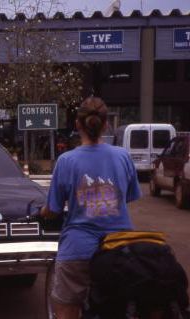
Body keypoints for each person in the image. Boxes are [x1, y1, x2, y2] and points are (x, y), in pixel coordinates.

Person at [40, 96, 141, 319]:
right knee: (120, 307)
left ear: (77, 125)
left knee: (66, 306)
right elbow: (130, 197)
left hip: (78, 250)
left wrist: (42, 212)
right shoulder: (123, 156)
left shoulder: (66, 161)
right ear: (106, 124)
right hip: (120, 248)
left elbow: (54, 209)